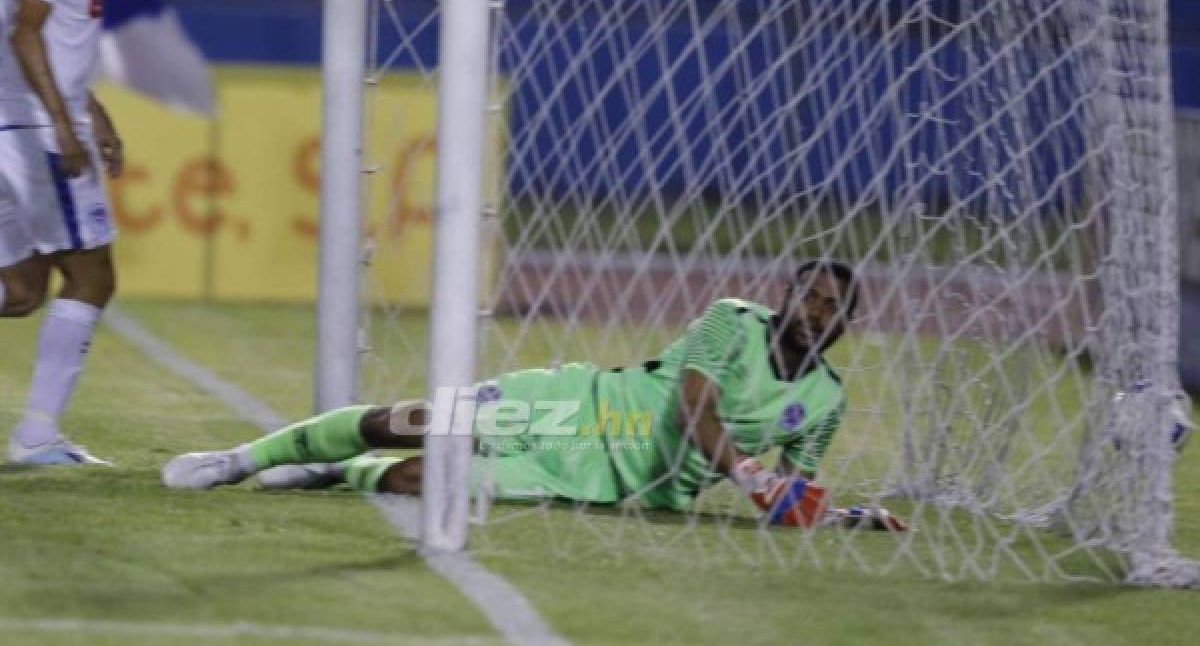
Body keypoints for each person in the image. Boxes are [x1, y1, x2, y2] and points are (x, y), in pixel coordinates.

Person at [163, 261, 906, 530]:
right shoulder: (731, 322)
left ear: (847, 321)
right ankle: (239, 457)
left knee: (429, 481)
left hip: (609, 480)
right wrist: (748, 472)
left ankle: (333, 471)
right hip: (580, 406)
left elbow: (795, 494)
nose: (815, 311)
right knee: (411, 422)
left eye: (831, 304)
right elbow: (692, 405)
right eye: (807, 295)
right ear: (785, 296)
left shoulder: (827, 399)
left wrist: (839, 515)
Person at [1, 0, 121, 465]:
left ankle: (39, 438)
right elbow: (24, 29)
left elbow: (53, 37)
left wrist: (90, 108)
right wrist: (64, 122)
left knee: (23, 291)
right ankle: (37, 438)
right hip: (35, 132)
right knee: (91, 277)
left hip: (23, 125)